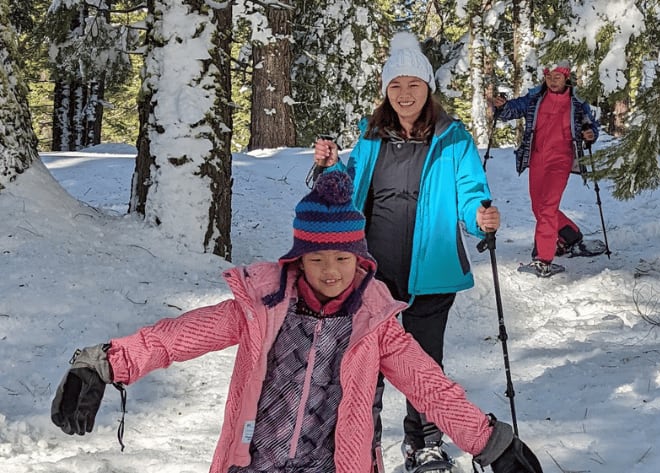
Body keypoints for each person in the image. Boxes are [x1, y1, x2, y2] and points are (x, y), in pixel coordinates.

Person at [49, 170, 532, 473]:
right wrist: (104, 363)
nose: (330, 271)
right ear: (298, 259)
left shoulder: (374, 322)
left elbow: (429, 386)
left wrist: (489, 440)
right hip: (254, 462)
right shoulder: (264, 307)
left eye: (342, 258)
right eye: (317, 259)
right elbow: (179, 337)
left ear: (361, 259)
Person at [312, 31, 501, 471]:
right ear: (386, 91)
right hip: (371, 270)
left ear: (428, 88)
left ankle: (425, 443)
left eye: (413, 84)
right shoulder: (372, 135)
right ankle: (360, 443)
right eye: (395, 86)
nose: (404, 94)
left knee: (424, 363)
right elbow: (349, 185)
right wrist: (330, 165)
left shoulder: (453, 139)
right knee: (365, 360)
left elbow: (472, 192)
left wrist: (481, 218)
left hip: (432, 269)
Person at [491, 60, 600, 278]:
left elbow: (590, 127)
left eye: (557, 77)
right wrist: (502, 106)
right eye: (549, 77)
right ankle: (571, 236)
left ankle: (543, 259)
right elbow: (511, 111)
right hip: (538, 158)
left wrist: (590, 135)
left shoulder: (576, 102)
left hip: (561, 159)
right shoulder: (535, 98)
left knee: (548, 207)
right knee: (538, 207)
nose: (552, 81)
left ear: (566, 77)